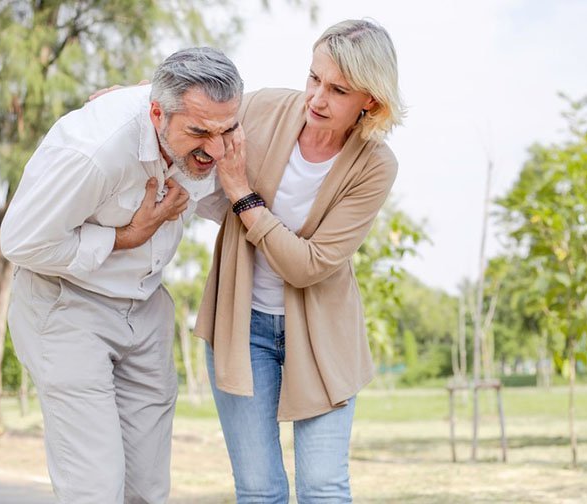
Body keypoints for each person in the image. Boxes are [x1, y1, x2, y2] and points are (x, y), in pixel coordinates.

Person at [0, 47, 243, 504]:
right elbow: (22, 242)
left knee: (148, 490)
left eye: (226, 130)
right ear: (157, 113)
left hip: (146, 307)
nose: (215, 148)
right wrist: (128, 236)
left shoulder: (208, 121)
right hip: (67, 307)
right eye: (199, 133)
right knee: (94, 487)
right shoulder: (93, 150)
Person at [195, 19, 406, 503]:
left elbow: (308, 265)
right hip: (242, 327)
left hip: (322, 337)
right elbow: (195, 104)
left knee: (323, 487)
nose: (317, 97)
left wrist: (241, 195)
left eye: (338, 90)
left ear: (371, 101)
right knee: (258, 489)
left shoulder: (375, 166)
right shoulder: (264, 108)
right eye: (314, 78)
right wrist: (130, 98)